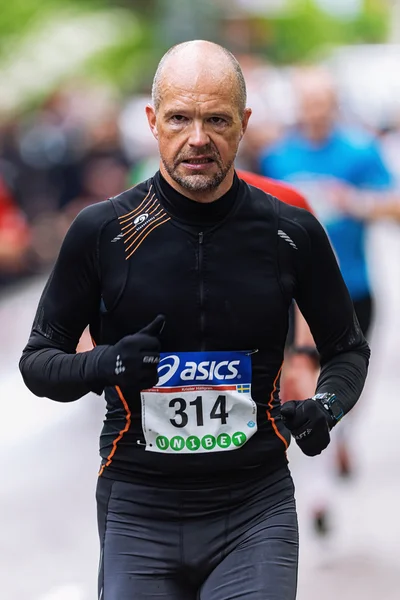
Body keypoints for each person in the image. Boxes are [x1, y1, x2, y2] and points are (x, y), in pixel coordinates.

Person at [19, 41, 370, 600]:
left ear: (245, 123)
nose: (198, 138)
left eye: (217, 119)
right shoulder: (102, 231)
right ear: (153, 122)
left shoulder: (290, 232)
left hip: (255, 507)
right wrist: (107, 364)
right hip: (139, 508)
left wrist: (327, 405)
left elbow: (348, 348)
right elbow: (38, 362)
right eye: (180, 118)